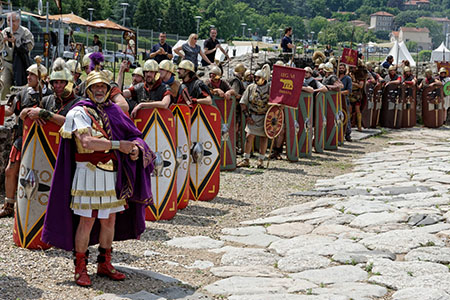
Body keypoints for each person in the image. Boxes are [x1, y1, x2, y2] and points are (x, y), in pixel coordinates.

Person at [42, 67, 154, 287]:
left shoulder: (114, 111)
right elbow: (86, 142)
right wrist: (118, 145)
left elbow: (133, 135)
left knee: (109, 219)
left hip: (111, 173)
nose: (100, 90)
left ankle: (104, 263)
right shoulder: (79, 112)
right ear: (89, 89)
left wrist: (136, 149)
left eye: (103, 86)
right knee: (87, 220)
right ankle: (80, 268)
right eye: (96, 87)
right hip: (88, 174)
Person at [0, 61, 51, 217]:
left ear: (41, 77)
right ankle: (9, 205)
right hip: (22, 138)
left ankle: (41, 208)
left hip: (44, 142)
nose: (28, 77)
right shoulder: (22, 94)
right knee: (10, 170)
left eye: (32, 75)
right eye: (28, 74)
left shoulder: (50, 96)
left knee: (40, 174)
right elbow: (9, 111)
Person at [237, 64, 271, 169]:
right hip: (253, 116)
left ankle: (261, 160)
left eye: (258, 78)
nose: (256, 79)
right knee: (249, 137)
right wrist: (247, 116)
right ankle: (246, 159)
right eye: (255, 77)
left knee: (264, 138)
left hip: (265, 117)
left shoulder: (270, 88)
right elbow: (243, 102)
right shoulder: (251, 88)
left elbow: (276, 103)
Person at [1, 12, 34, 100]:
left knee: (20, 88)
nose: (11, 23)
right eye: (8, 21)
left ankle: (18, 107)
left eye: (13, 21)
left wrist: (16, 42)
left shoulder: (25, 32)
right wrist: (2, 41)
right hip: (7, 63)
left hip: (21, 64)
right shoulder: (4, 32)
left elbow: (29, 47)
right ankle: (3, 107)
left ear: (19, 21)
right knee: (4, 84)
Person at [338, 63, 353, 141]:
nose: (341, 69)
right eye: (339, 68)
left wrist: (340, 93)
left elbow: (349, 90)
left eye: (342, 68)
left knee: (345, 115)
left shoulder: (347, 78)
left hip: (344, 99)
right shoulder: (335, 77)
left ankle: (347, 134)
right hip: (335, 99)